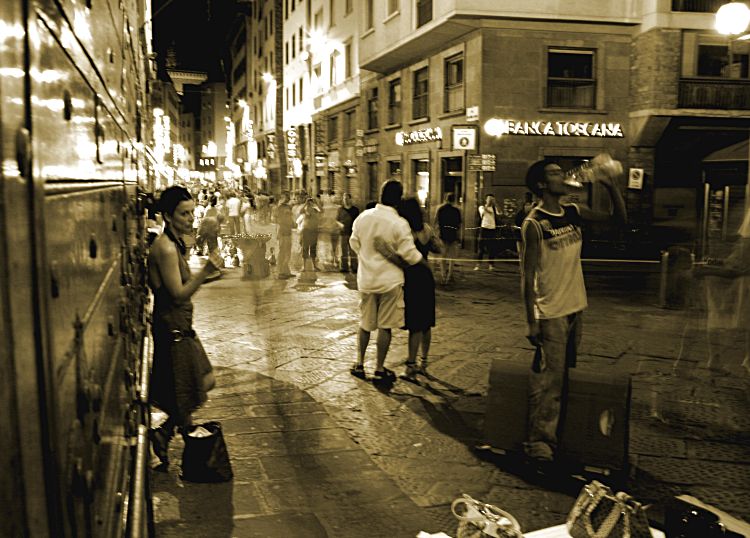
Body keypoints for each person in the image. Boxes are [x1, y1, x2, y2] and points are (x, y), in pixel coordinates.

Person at [520, 156, 627, 462]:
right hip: (550, 310)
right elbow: (527, 276)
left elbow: (618, 220)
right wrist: (532, 321)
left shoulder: (573, 212)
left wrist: (611, 186)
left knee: (563, 375)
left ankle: (553, 434)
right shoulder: (534, 223)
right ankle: (539, 443)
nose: (561, 176)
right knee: (550, 381)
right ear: (542, 184)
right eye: (554, 173)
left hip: (575, 306)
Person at [148, 186, 223, 469]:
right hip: (173, 330)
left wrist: (207, 277)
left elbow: (180, 286)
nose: (190, 218)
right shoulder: (166, 248)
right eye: (183, 213)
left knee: (188, 388)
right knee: (196, 385)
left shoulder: (176, 243)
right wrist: (204, 273)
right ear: (168, 215)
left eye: (192, 212)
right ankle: (163, 435)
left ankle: (164, 436)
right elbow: (178, 294)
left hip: (181, 327)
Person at [349, 180, 423, 384]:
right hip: (390, 281)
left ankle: (359, 364)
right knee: (385, 326)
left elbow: (354, 243)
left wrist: (366, 256)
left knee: (365, 324)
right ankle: (380, 368)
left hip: (366, 279)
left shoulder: (363, 217)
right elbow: (411, 255)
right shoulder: (399, 223)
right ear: (398, 199)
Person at [376, 197, 439, 376]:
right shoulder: (426, 229)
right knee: (425, 322)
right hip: (426, 278)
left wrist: (386, 252)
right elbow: (438, 248)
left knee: (415, 324)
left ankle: (411, 364)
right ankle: (423, 361)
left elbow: (404, 261)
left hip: (411, 278)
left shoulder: (405, 233)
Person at [435, 193, 462, 284]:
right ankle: (450, 275)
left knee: (443, 256)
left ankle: (443, 275)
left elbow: (436, 222)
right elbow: (459, 224)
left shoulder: (441, 209)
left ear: (445, 199)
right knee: (452, 257)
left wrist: (437, 233)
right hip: (453, 235)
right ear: (454, 200)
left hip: (443, 235)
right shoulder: (456, 210)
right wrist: (459, 236)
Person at [475, 194, 500, 271]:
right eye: (489, 199)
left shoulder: (494, 208)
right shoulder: (482, 207)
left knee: (492, 248)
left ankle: (491, 265)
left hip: (492, 229)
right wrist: (488, 204)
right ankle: (478, 264)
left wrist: (496, 204)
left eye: (492, 199)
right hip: (484, 229)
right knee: (481, 248)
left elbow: (500, 213)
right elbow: (486, 212)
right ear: (486, 200)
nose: (490, 200)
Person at [337, 193, 360, 273]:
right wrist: (340, 225)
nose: (345, 200)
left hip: (352, 233)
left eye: (347, 199)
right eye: (344, 199)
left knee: (353, 250)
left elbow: (358, 221)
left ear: (350, 199)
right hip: (343, 233)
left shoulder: (355, 210)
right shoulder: (340, 210)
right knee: (343, 251)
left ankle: (354, 267)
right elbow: (337, 220)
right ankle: (344, 267)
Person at [297, 197, 321, 271]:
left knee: (313, 248)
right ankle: (304, 266)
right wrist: (305, 203)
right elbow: (300, 212)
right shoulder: (304, 210)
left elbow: (321, 210)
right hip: (306, 231)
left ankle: (314, 266)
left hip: (313, 230)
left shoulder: (315, 209)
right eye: (309, 202)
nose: (310, 203)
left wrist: (315, 204)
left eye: (311, 202)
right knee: (305, 248)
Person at [274, 192, 295, 279]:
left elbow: (290, 219)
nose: (290, 198)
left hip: (288, 232)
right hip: (283, 232)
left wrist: (293, 224)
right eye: (288, 196)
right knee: (282, 252)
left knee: (287, 253)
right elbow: (279, 220)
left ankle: (286, 271)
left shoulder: (287, 207)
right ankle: (280, 272)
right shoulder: (280, 208)